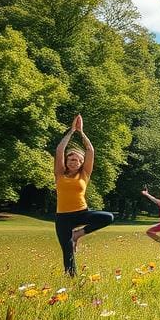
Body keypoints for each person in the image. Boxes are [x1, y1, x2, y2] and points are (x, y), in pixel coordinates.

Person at [53, 114, 114, 276]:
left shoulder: (84, 174)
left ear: (81, 163)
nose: (74, 161)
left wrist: (81, 132)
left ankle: (77, 234)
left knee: (108, 217)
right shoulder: (59, 174)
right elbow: (60, 149)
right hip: (63, 218)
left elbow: (90, 150)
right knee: (68, 253)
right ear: (66, 161)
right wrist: (71, 131)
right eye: (71, 159)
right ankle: (71, 280)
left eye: (77, 160)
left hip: (82, 213)